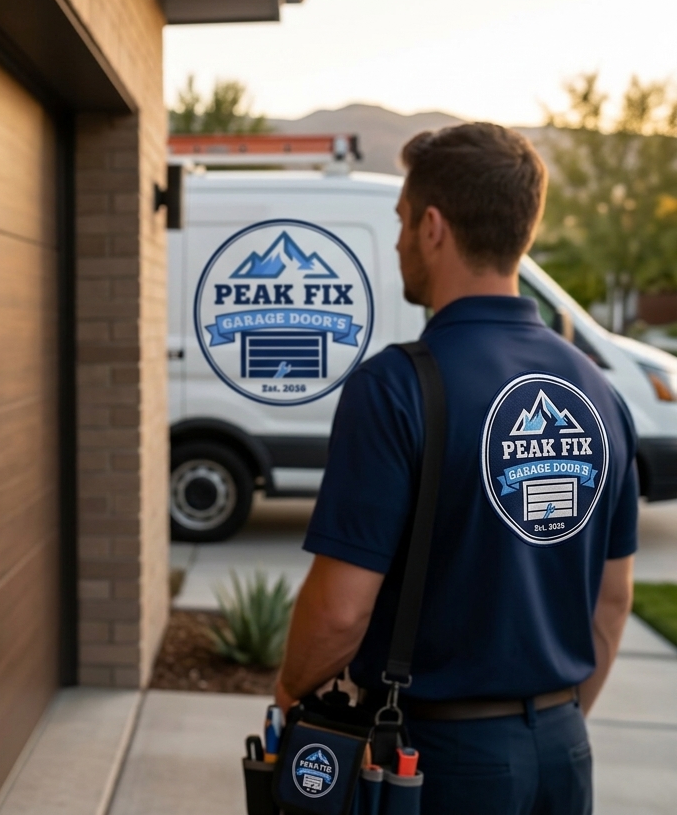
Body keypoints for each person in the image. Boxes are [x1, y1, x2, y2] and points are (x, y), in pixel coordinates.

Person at [273, 123, 637, 815]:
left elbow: (342, 611)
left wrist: (291, 690)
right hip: (564, 753)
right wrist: (551, 723)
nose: (401, 242)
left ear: (434, 227)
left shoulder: (397, 387)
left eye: (404, 221)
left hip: (438, 764)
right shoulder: (597, 392)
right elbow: (611, 602)